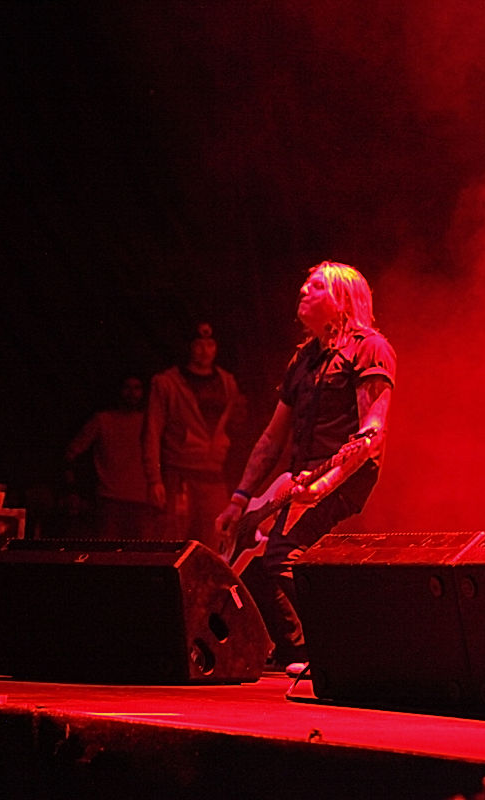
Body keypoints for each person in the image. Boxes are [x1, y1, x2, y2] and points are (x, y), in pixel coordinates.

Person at [215, 261, 394, 670]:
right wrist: (240, 499)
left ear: (341, 299)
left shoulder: (370, 349)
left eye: (314, 287)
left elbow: (372, 434)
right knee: (248, 548)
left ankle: (319, 651)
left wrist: (324, 484)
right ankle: (291, 649)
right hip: (300, 477)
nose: (302, 291)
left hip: (343, 474)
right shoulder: (303, 359)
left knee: (281, 555)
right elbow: (271, 438)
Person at [142, 322, 245, 555]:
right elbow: (152, 431)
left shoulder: (227, 382)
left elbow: (234, 426)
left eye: (210, 345)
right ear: (190, 347)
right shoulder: (167, 383)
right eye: (199, 345)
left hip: (213, 475)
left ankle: (205, 592)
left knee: (213, 544)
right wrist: (154, 479)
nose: (204, 350)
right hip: (179, 475)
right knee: (174, 544)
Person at [63, 375, 157, 539]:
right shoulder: (102, 420)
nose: (132, 393)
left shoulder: (150, 422)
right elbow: (71, 454)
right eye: (127, 387)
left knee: (142, 555)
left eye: (137, 388)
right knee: (108, 553)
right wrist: (73, 489)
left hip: (143, 502)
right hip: (110, 501)